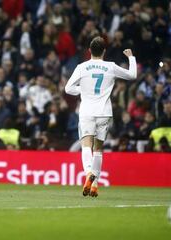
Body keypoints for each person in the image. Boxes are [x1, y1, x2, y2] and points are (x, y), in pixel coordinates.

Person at [65, 36, 137, 197]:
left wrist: (82, 91)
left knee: (86, 145)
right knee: (98, 149)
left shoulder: (82, 67)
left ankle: (89, 173)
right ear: (104, 51)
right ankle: (95, 184)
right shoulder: (110, 67)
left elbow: (68, 88)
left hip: (87, 111)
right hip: (104, 112)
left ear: (89, 51)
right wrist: (131, 57)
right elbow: (132, 75)